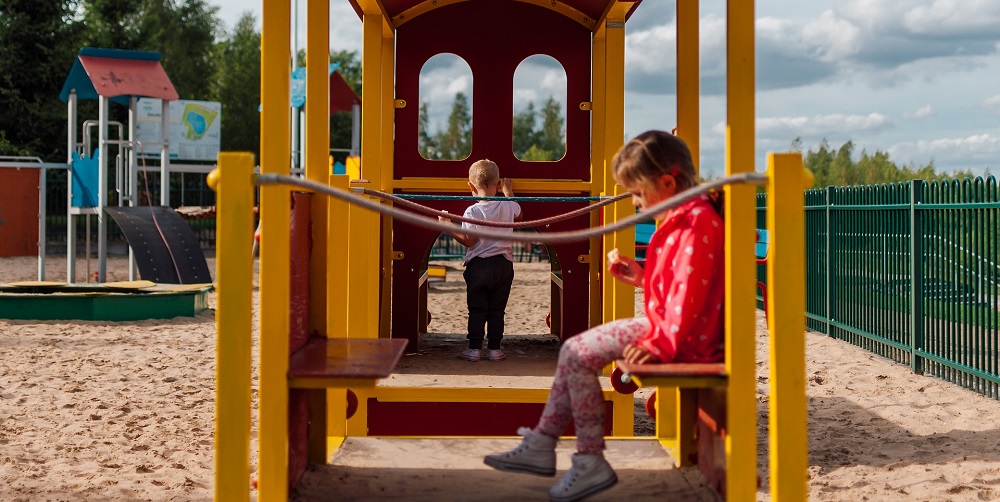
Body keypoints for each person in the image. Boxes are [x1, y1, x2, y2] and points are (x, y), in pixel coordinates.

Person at [483, 130, 725, 501]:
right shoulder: (684, 216)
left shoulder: (697, 223)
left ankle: (585, 458)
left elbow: (690, 299)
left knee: (577, 354)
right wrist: (643, 277)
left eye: (639, 193)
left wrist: (660, 347)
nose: (636, 203)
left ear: (666, 181)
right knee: (574, 352)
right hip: (671, 329)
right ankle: (549, 444)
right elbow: (680, 288)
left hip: (681, 338)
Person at [439, 159, 523, 362]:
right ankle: (495, 349)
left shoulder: (473, 211)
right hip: (503, 265)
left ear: (471, 186)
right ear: (499, 184)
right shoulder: (508, 205)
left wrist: (448, 226)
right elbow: (519, 217)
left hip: (479, 266)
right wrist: (509, 194)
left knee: (477, 309)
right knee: (497, 310)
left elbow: (470, 241)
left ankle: (474, 348)